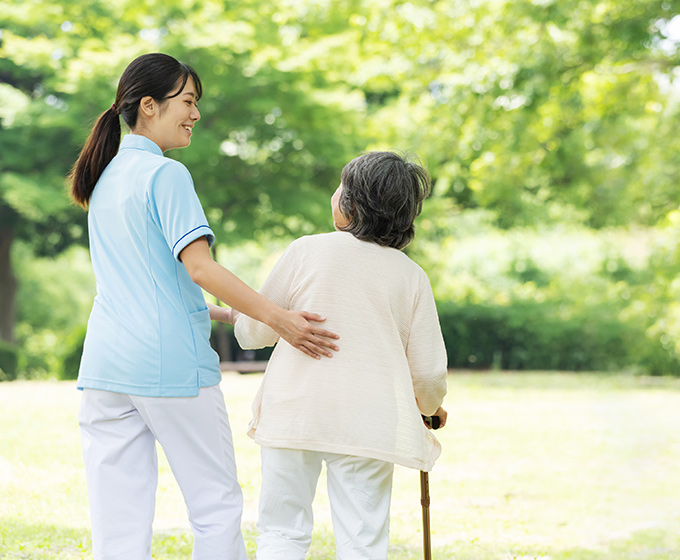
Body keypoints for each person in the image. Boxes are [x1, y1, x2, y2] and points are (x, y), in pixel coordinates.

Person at [69, 52, 339, 560]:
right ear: (149, 105)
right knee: (215, 507)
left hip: (106, 369)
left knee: (117, 518)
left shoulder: (104, 177)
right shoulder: (165, 175)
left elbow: (142, 279)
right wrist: (278, 318)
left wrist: (217, 312)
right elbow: (200, 268)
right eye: (188, 101)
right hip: (168, 368)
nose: (195, 114)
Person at [233, 151, 449, 560]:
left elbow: (252, 331)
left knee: (281, 530)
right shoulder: (410, 276)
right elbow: (428, 373)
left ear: (350, 204)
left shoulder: (306, 251)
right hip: (367, 420)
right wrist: (431, 408)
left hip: (294, 412)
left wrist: (236, 316)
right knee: (362, 540)